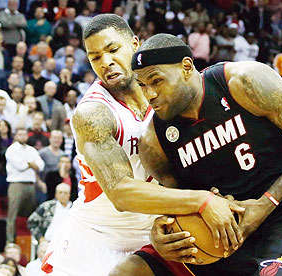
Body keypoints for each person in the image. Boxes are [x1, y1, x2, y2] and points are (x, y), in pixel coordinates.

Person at [111, 33, 282, 276]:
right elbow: (176, 204)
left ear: (186, 67)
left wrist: (267, 202)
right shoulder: (154, 142)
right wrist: (161, 233)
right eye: (141, 85)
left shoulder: (242, 83)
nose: (149, 94)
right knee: (130, 271)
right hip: (220, 235)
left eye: (156, 81)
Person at [42, 14, 243, 276]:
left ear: (135, 44)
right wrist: (201, 201)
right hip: (97, 240)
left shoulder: (166, 96)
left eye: (113, 50)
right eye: (95, 58)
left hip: (159, 237)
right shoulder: (93, 113)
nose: (106, 62)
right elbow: (121, 193)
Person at [5, 128, 44, 244]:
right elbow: (20, 166)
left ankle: (29, 241)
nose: (22, 136)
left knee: (30, 215)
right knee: (12, 215)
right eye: (20, 134)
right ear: (16, 136)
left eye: (24, 134)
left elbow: (41, 165)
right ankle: (10, 241)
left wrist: (29, 163)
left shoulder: (32, 150)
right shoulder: (11, 150)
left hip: (31, 185)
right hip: (16, 184)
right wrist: (31, 164)